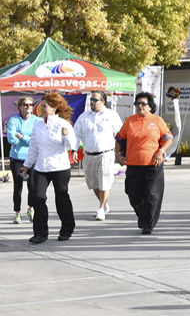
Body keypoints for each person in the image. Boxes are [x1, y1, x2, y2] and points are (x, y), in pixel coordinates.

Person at [20, 93, 78, 244]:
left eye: (45, 106)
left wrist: (66, 136)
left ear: (54, 108)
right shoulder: (38, 125)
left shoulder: (63, 124)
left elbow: (72, 146)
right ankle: (40, 233)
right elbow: (33, 147)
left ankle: (67, 228)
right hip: (41, 167)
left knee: (61, 197)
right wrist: (26, 165)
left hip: (59, 167)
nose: (42, 109)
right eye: (41, 106)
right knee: (38, 197)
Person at [115, 92, 173, 235]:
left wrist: (161, 151)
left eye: (143, 104)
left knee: (152, 194)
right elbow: (119, 139)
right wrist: (117, 155)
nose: (140, 106)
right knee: (133, 193)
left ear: (150, 106)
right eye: (137, 103)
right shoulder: (129, 121)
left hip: (153, 164)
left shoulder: (158, 121)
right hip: (134, 164)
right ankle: (143, 215)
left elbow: (168, 138)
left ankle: (148, 223)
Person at [73, 91, 123, 221]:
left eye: (95, 100)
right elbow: (76, 135)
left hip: (106, 153)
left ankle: (101, 208)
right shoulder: (84, 117)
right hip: (89, 154)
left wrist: (120, 153)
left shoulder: (111, 115)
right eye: (91, 100)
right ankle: (105, 204)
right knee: (93, 183)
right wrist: (73, 150)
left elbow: (119, 135)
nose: (92, 103)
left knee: (105, 181)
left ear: (103, 101)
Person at [8, 96, 41, 224]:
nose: (28, 107)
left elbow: (36, 139)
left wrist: (21, 136)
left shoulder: (36, 120)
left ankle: (31, 208)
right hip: (17, 158)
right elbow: (11, 139)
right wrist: (27, 139)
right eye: (25, 105)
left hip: (32, 157)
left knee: (32, 185)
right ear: (20, 106)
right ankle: (17, 213)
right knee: (18, 186)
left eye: (31, 104)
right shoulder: (14, 120)